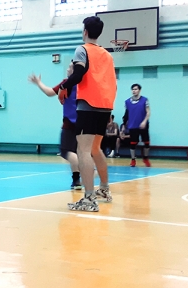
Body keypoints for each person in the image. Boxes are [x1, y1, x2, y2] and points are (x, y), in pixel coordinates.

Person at [59, 16, 117, 212]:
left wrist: (63, 86)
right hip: (105, 105)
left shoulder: (82, 50)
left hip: (88, 104)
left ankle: (89, 198)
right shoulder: (107, 55)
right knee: (95, 149)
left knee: (82, 150)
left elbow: (78, 74)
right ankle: (104, 189)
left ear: (85, 31)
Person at [28, 64, 82, 190]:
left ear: (75, 71)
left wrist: (39, 83)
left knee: (66, 151)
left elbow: (49, 92)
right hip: (84, 122)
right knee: (77, 152)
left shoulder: (67, 83)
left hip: (70, 122)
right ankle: (76, 180)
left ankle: (88, 170)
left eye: (70, 67)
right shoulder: (84, 84)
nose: (67, 69)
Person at [124, 84, 151, 167]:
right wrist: (124, 126)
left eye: (136, 89)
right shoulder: (127, 102)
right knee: (133, 143)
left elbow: (148, 112)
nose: (134, 91)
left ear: (139, 90)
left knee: (146, 142)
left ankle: (145, 158)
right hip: (133, 125)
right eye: (133, 89)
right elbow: (126, 114)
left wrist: (144, 121)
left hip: (143, 125)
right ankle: (133, 160)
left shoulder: (145, 100)